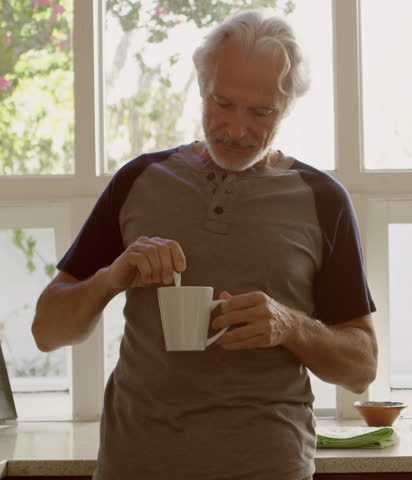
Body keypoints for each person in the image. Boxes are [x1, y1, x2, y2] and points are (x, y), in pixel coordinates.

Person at [31, 10, 378, 480]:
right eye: (223, 102)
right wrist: (111, 278)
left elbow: (361, 369)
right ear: (201, 87)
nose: (236, 130)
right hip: (134, 467)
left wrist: (291, 326)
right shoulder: (138, 180)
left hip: (268, 469)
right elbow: (48, 332)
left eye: (261, 112)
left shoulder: (323, 200)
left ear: (289, 106)